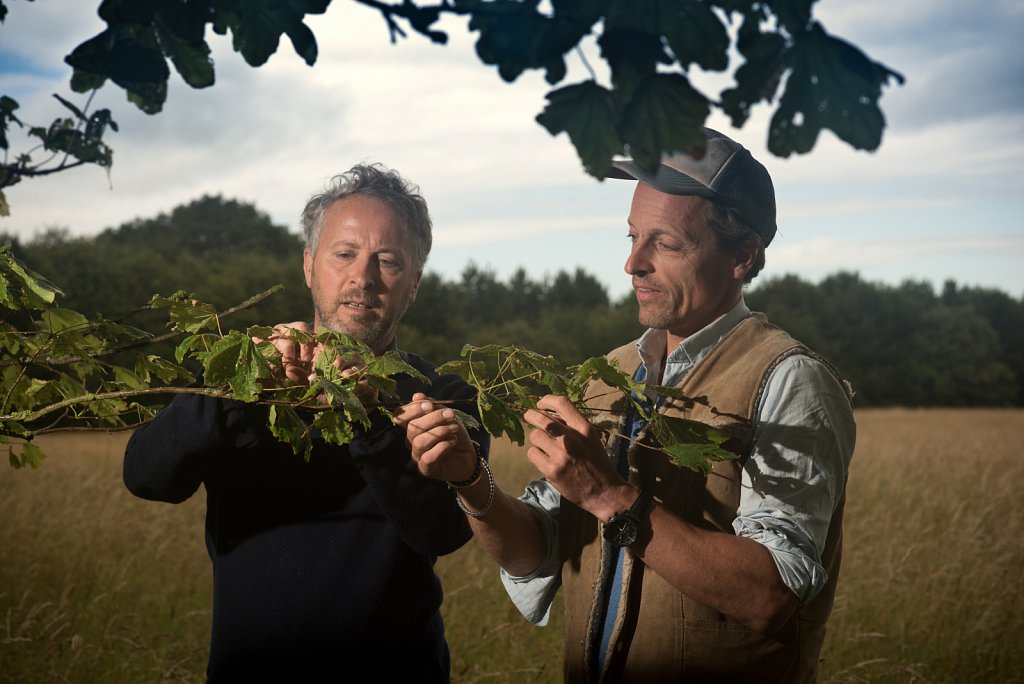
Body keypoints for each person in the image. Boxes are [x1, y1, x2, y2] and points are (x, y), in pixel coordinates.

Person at [398, 129, 856, 682]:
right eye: (633, 236)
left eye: (665, 244)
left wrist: (608, 495)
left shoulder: (789, 380)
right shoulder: (607, 376)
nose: (632, 263)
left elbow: (773, 594)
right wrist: (470, 478)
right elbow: (536, 554)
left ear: (742, 255)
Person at [123, 163, 489, 682]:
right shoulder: (241, 376)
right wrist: (239, 391)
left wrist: (369, 411)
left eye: (387, 261)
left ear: (413, 285)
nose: (362, 278)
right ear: (309, 265)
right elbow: (147, 477)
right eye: (344, 255)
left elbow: (442, 532)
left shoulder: (444, 397)